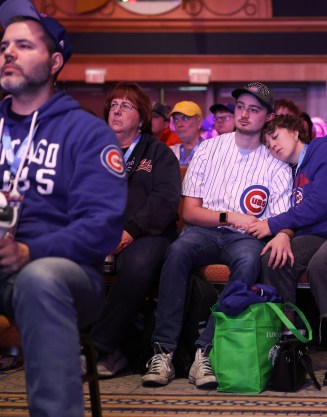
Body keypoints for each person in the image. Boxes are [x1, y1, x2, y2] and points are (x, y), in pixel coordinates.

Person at [0, 1, 127, 416]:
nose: (8, 53)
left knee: (40, 278)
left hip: (65, 273)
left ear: (54, 61)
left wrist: (29, 251)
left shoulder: (87, 133)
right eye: (4, 46)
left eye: (23, 45)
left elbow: (102, 226)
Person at [141, 82, 292, 389]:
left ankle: (205, 351)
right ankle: (163, 351)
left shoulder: (276, 161)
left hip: (245, 238)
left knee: (250, 259)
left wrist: (284, 232)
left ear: (268, 116)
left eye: (254, 109)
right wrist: (230, 216)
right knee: (177, 251)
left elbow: (278, 219)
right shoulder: (209, 149)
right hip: (204, 230)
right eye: (240, 107)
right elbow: (190, 213)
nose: (245, 115)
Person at [247, 115, 327, 386]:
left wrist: (272, 225)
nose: (272, 145)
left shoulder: (324, 149)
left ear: (295, 133)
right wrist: (282, 234)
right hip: (317, 234)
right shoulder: (290, 169)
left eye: (276, 137)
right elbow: (299, 214)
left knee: (324, 262)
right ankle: (290, 344)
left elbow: (319, 205)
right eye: (267, 144)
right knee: (274, 257)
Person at [88, 82, 180, 377]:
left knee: (137, 264)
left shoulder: (158, 153)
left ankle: (97, 347)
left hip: (148, 234)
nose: (116, 110)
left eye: (125, 106)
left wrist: (129, 231)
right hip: (100, 232)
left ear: (141, 118)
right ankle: (107, 350)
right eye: (113, 105)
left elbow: (165, 200)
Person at [168, 101, 204, 165]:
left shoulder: (212, 152)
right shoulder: (168, 153)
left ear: (199, 122)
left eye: (185, 118)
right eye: (176, 120)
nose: (179, 124)